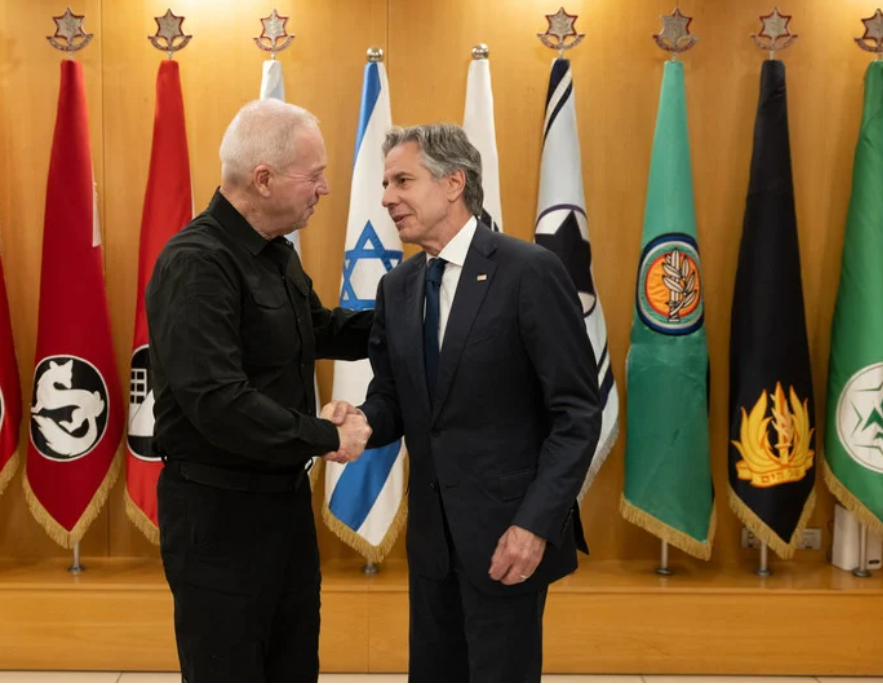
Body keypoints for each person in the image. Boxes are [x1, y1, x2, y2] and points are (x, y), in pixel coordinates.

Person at [326, 123, 601, 682]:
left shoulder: (529, 271)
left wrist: (535, 525)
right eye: (383, 183)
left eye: (402, 180)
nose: (386, 198)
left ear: (454, 183)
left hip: (508, 538)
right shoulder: (398, 287)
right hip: (432, 544)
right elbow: (395, 398)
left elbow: (576, 414)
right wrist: (358, 424)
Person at [146, 99, 373, 683]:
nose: (324, 189)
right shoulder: (197, 263)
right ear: (264, 179)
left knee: (293, 665)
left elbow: (313, 329)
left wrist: (409, 313)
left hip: (281, 502)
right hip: (218, 514)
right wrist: (327, 436)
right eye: (315, 175)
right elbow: (219, 402)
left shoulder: (275, 253)